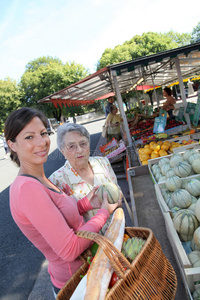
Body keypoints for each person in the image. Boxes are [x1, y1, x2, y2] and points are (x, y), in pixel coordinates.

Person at [4, 107, 121, 298]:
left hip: (87, 271)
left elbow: (58, 217)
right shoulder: (27, 189)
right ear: (12, 145)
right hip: (76, 282)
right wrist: (104, 212)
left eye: (43, 133)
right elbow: (69, 249)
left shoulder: (39, 179)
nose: (41, 142)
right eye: (29, 137)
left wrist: (84, 205)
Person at [49, 122, 122, 234]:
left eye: (83, 143)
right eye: (71, 146)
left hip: (119, 230)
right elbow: (61, 222)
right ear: (63, 151)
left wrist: (118, 200)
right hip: (91, 244)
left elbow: (117, 190)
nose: (79, 150)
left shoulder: (102, 162)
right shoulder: (56, 181)